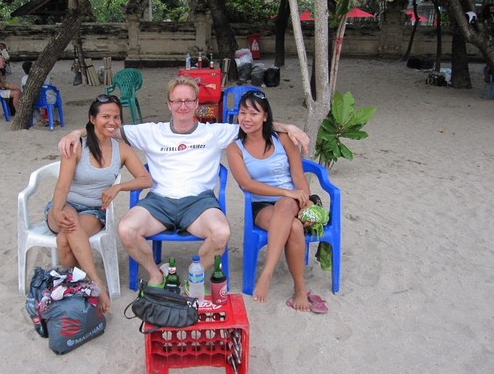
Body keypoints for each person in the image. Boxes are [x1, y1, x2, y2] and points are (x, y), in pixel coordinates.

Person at [58, 76, 310, 288]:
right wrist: (76, 132)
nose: (183, 105)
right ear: (169, 103)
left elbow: (253, 124)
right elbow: (107, 128)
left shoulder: (215, 132)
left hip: (199, 203)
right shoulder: (151, 131)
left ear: (197, 103)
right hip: (159, 201)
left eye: (188, 100)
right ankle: (156, 274)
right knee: (126, 229)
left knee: (221, 232)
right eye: (177, 100)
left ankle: (193, 272)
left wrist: (287, 126)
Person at [46, 95, 152, 313]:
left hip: (92, 211)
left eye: (116, 117)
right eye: (105, 116)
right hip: (63, 205)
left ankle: (72, 289)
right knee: (69, 223)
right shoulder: (76, 146)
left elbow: (145, 179)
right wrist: (57, 210)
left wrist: (117, 187)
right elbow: (62, 187)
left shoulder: (121, 149)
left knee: (65, 239)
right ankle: (96, 284)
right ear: (92, 119)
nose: (112, 122)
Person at [227, 90, 323, 312]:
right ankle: (298, 287)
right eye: (242, 113)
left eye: (253, 113)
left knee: (288, 207)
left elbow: (298, 175)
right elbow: (247, 184)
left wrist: (305, 201)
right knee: (294, 227)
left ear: (265, 117)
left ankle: (270, 274)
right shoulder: (235, 148)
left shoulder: (283, 139)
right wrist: (287, 193)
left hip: (294, 200)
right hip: (261, 206)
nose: (247, 118)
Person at [21, 60, 58, 126]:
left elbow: (23, 91)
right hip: (47, 100)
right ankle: (54, 119)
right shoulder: (44, 76)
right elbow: (51, 86)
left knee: (32, 104)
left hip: (34, 101)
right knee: (55, 98)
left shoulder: (24, 79)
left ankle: (41, 119)